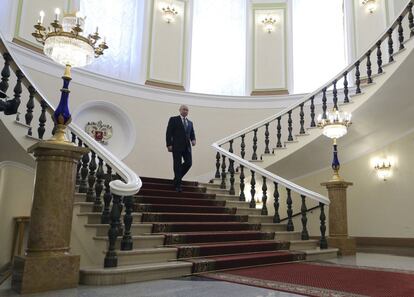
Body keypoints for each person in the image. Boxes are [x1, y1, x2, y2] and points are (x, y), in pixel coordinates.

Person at [166, 105, 196, 192]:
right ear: (180, 110)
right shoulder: (173, 119)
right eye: (184, 109)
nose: (185, 111)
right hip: (176, 146)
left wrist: (193, 139)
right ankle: (178, 185)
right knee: (177, 164)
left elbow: (192, 133)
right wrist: (169, 144)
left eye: (187, 110)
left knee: (189, 163)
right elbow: (168, 133)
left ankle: (176, 179)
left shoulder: (190, 123)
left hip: (187, 147)